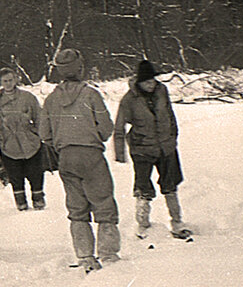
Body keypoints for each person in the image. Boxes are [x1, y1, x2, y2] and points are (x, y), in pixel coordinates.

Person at [39, 48, 121, 272]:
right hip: (91, 154)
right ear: (79, 68)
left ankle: (85, 256)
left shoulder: (51, 100)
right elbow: (106, 128)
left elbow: (44, 133)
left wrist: (60, 141)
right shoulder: (90, 94)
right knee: (103, 203)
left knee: (76, 208)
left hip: (66, 157)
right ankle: (108, 254)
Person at [113, 60, 189, 239]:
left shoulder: (162, 91)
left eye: (153, 81)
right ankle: (143, 225)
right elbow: (119, 126)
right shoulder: (129, 99)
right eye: (147, 82)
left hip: (165, 146)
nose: (151, 84)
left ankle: (177, 222)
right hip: (142, 149)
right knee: (143, 187)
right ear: (139, 82)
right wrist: (120, 153)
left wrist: (173, 136)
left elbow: (170, 114)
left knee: (170, 185)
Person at [0, 67, 45, 211]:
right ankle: (20, 202)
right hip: (10, 143)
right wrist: (1, 141)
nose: (8, 83)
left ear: (16, 80)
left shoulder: (28, 97)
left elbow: (39, 117)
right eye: (4, 81)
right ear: (0, 82)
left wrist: (38, 135)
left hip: (29, 140)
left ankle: (38, 199)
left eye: (10, 80)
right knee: (15, 174)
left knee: (35, 172)